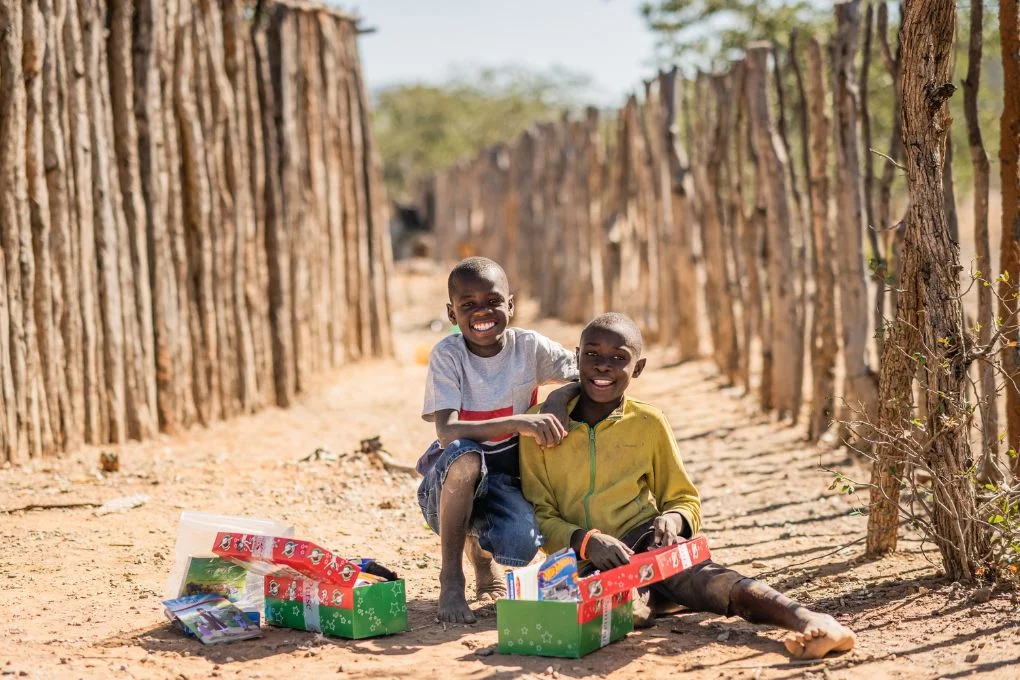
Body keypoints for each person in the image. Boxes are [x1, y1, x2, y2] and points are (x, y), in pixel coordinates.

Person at [519, 312, 857, 659]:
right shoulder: (540, 426)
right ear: (577, 357)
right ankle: (654, 600)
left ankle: (811, 620)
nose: (603, 365)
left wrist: (673, 519)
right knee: (614, 605)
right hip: (584, 560)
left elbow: (683, 498)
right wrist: (587, 542)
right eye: (592, 354)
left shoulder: (648, 422)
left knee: (711, 579)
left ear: (638, 367)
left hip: (648, 543)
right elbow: (539, 514)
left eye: (619, 358)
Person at [417, 257, 580, 624]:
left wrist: (557, 396)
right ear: (452, 313)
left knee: (520, 546)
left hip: (507, 478)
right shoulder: (448, 355)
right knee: (466, 457)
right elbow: (447, 431)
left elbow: (585, 371)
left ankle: (481, 551)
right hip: (449, 482)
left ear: (511, 304)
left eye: (493, 301)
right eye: (468, 304)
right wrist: (518, 421)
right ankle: (452, 578)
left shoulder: (529, 347)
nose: (482, 311)